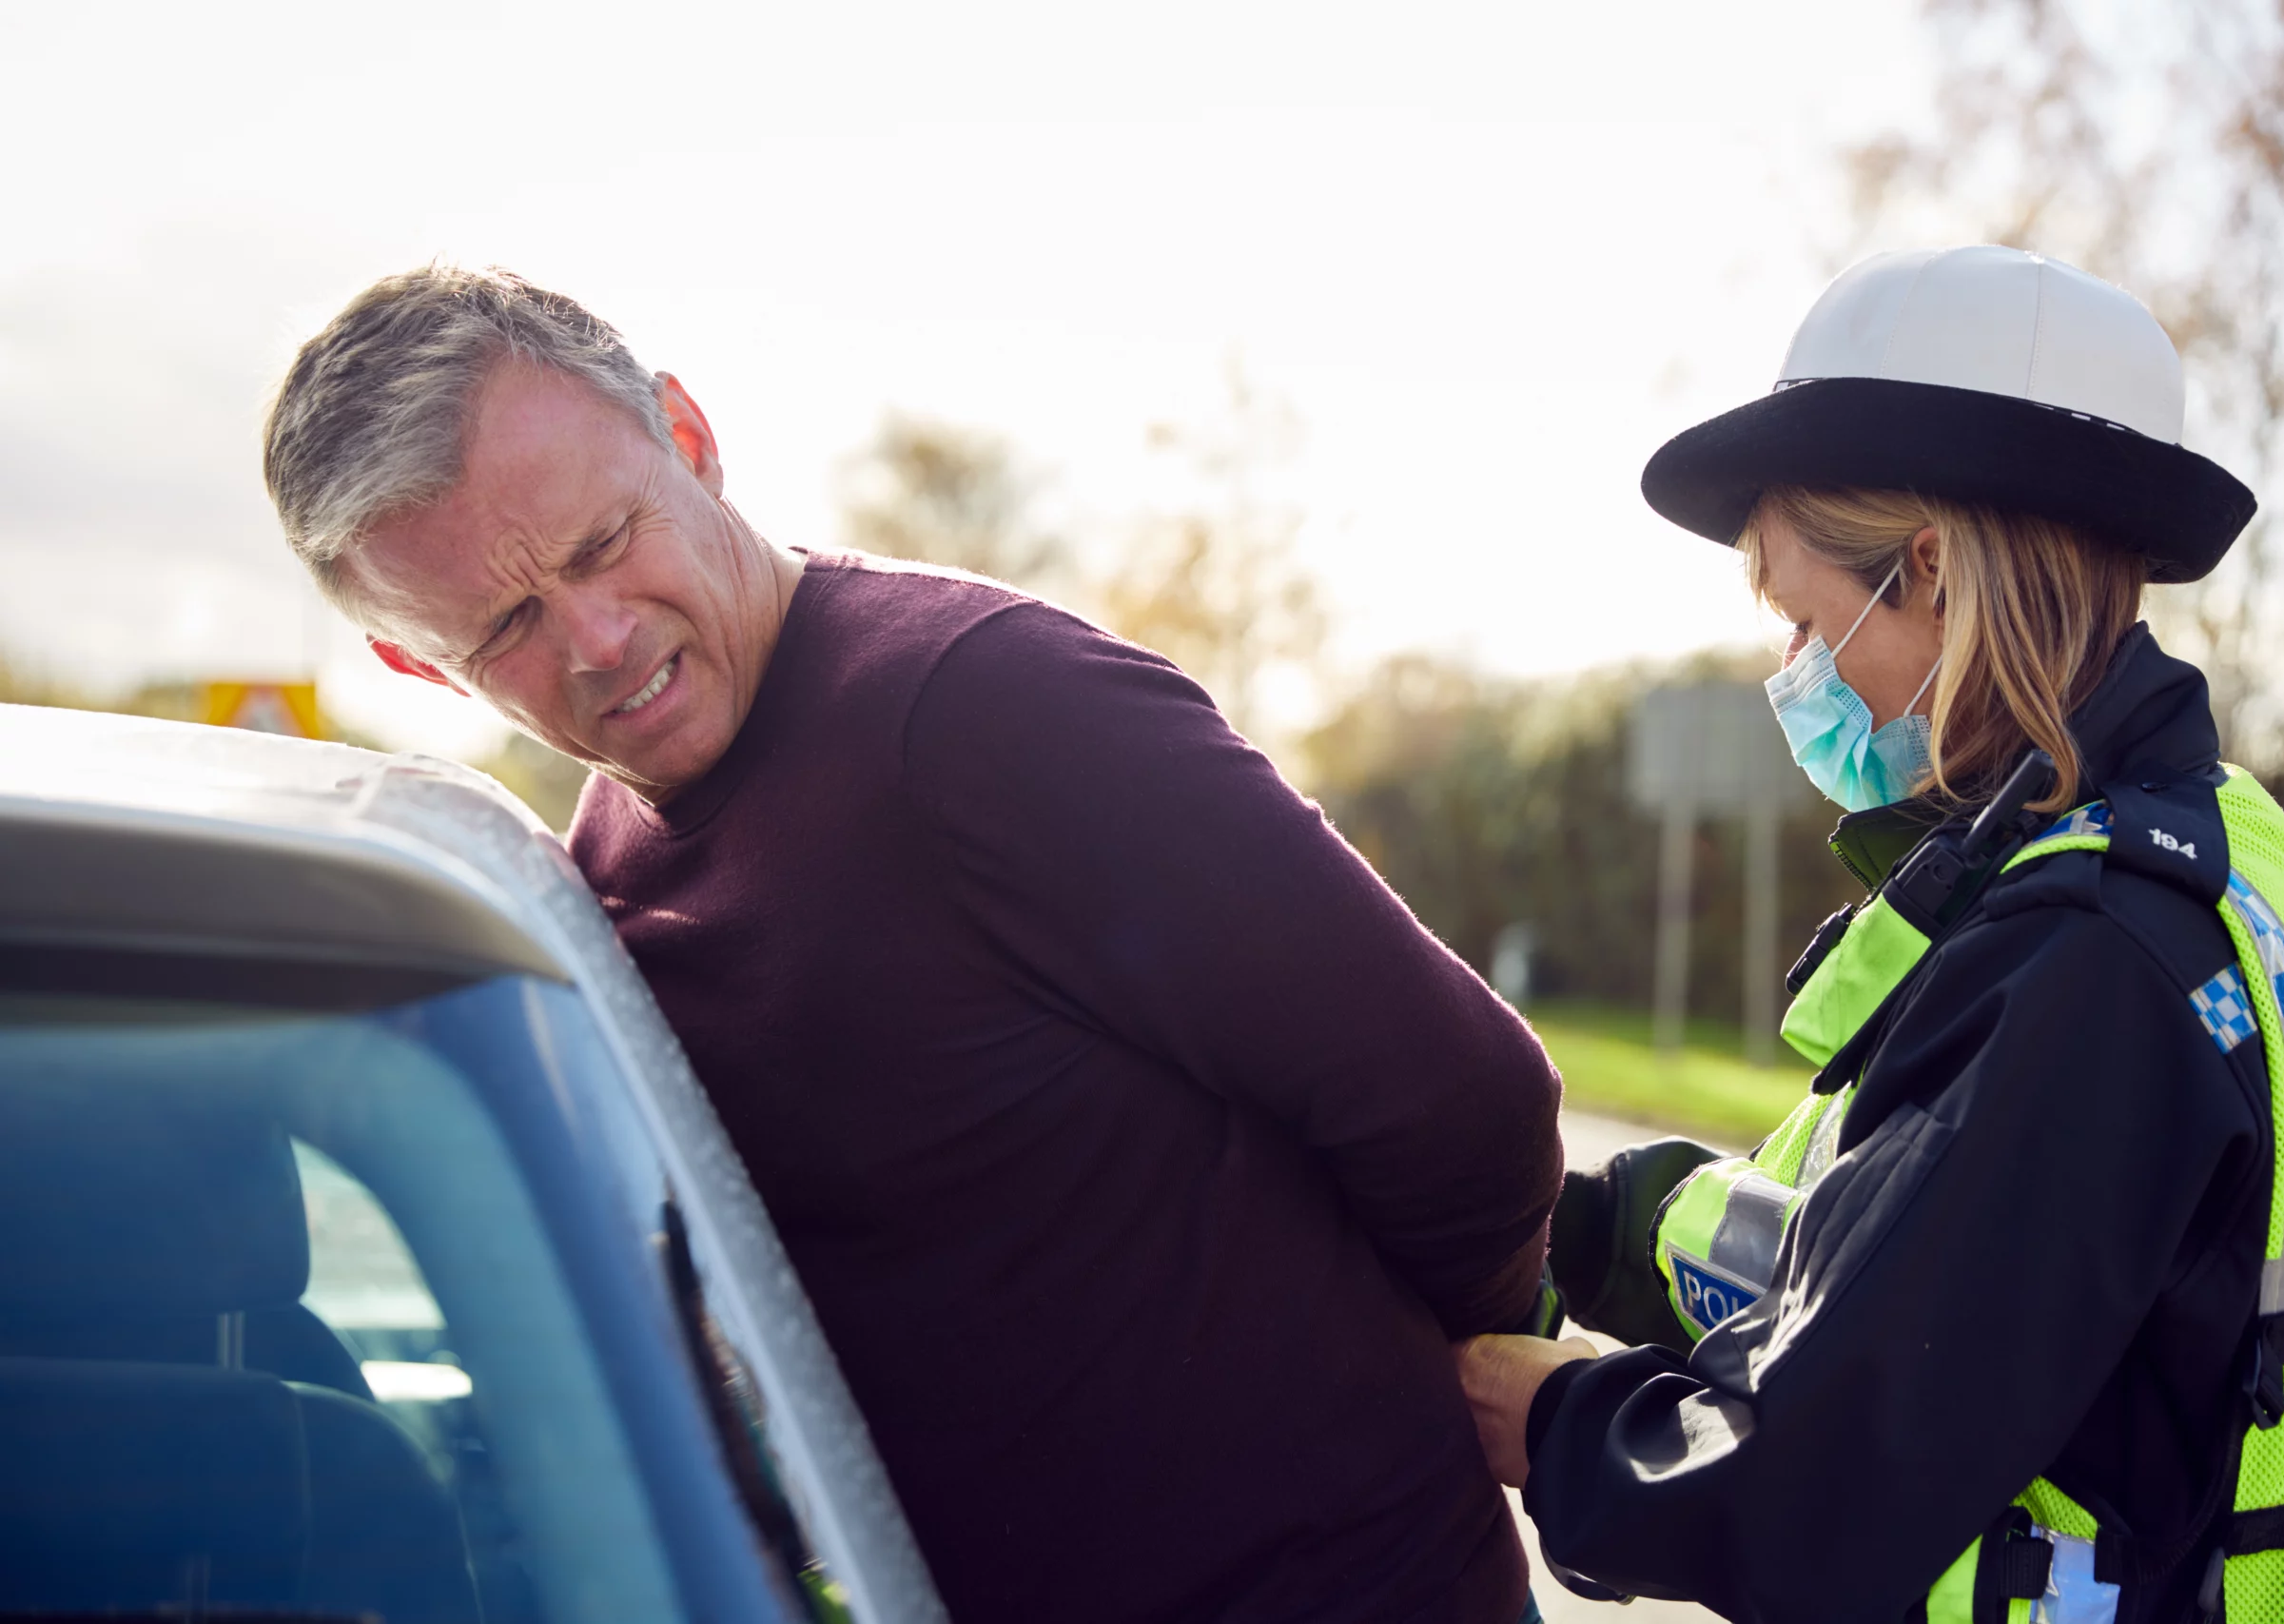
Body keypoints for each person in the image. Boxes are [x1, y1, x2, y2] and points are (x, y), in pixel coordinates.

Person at [263, 266, 1565, 1623]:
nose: (597, 639)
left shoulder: (986, 706)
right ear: (418, 664)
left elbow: (1460, 1099)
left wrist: (1440, 1379)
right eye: (508, 627)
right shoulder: (587, 884)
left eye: (603, 543)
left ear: (688, 438)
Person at [1456, 246, 2284, 1623]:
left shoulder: (2094, 953)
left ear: (1929, 574)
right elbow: (1897, 1262)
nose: (1793, 677)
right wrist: (1599, 1226)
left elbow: (1816, 1478)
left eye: (1804, 619)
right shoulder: (2224, 852)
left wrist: (1555, 1419)